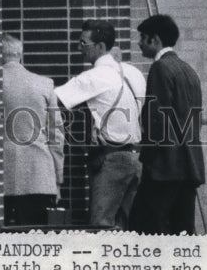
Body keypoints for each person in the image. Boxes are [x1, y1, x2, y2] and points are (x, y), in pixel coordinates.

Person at [55, 20, 146, 229]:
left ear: (101, 46)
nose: (79, 48)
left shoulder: (93, 77)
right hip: (137, 157)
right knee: (132, 226)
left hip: (111, 159)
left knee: (101, 225)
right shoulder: (133, 73)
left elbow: (52, 100)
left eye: (83, 43)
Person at [131, 14, 205, 235]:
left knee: (146, 226)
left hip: (164, 168)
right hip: (189, 166)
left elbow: (157, 120)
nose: (139, 43)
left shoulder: (160, 68)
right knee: (182, 232)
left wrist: (148, 158)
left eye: (142, 38)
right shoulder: (189, 71)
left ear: (155, 40)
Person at [1, 33, 64, 226]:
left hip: (1, 176)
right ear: (20, 54)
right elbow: (56, 135)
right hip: (40, 174)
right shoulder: (44, 84)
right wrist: (57, 178)